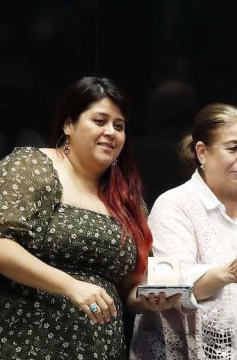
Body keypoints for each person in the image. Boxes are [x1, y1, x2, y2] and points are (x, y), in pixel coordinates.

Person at [0, 76, 168, 359]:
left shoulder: (127, 198)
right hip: (26, 342)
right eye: (99, 121)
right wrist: (69, 285)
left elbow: (128, 289)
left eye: (119, 126)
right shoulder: (34, 165)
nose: (111, 132)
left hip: (101, 348)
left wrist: (151, 299)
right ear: (69, 125)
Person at [130, 103, 237, 359]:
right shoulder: (175, 205)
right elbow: (174, 290)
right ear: (202, 152)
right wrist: (225, 274)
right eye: (233, 148)